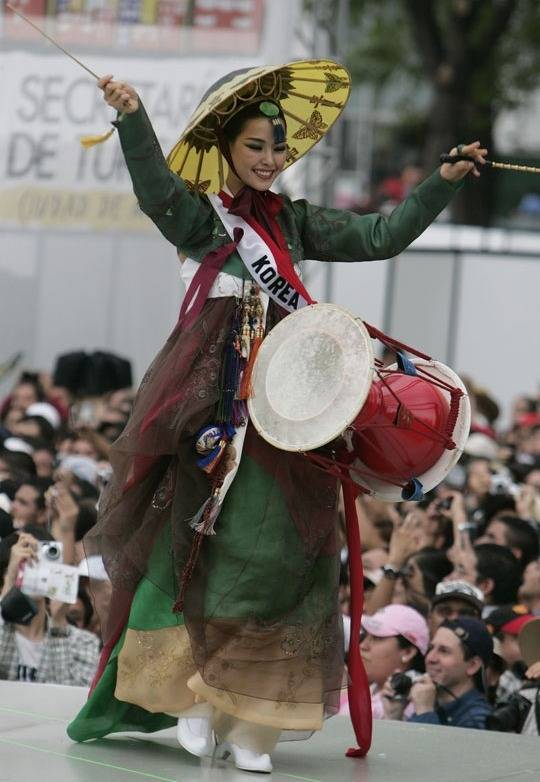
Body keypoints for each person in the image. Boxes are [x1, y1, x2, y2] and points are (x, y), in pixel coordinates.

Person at [66, 59, 486, 772]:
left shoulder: (294, 221)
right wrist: (133, 119)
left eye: (278, 148)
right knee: (196, 553)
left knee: (274, 560)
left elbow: (381, 236)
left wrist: (437, 187)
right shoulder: (202, 217)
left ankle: (246, 719)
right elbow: (153, 190)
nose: (269, 159)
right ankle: (192, 700)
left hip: (289, 412)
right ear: (227, 147)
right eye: (256, 146)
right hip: (211, 414)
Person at [0, 530, 100, 685]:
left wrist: (58, 625)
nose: (32, 567)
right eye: (23, 562)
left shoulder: (83, 642)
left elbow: (69, 701)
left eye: (40, 559)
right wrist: (10, 584)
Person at [403, 617, 493, 729]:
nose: (430, 658)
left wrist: (425, 711)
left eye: (444, 651)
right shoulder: (434, 703)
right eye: (431, 648)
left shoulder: (476, 719)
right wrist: (394, 714)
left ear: (472, 665)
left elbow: (428, 746)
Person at [357, 604, 428, 720]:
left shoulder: (413, 707)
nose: (363, 646)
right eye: (365, 635)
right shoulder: (368, 689)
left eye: (377, 638)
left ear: (407, 652)